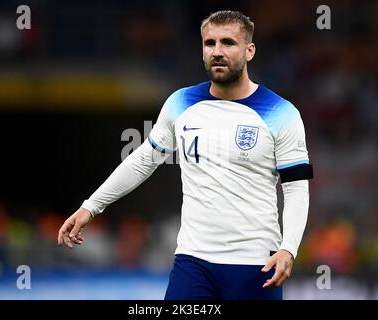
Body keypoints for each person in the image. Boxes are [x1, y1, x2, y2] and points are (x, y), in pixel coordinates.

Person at [57, 10, 313, 300]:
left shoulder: (283, 114)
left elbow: (296, 189)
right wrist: (91, 206)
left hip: (255, 264)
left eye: (228, 43)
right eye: (209, 43)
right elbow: (142, 161)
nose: (217, 52)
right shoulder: (181, 102)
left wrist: (289, 248)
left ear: (249, 50)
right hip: (193, 262)